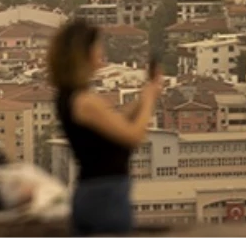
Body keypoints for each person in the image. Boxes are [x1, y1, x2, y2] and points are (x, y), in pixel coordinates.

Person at [48, 20, 162, 236]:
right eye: (98, 46)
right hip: (106, 196)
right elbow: (133, 136)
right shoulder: (85, 101)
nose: (101, 52)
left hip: (93, 193)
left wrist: (144, 97)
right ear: (85, 53)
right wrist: (149, 100)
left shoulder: (70, 96)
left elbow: (114, 123)